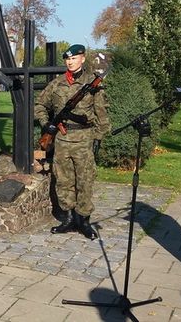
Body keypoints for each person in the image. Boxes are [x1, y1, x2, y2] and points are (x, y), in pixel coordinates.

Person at [35, 44, 111, 240]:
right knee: (63, 180)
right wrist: (47, 125)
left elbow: (101, 113)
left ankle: (83, 221)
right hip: (62, 139)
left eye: (74, 58)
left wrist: (99, 137)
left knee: (85, 181)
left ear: (83, 59)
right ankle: (68, 219)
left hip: (84, 139)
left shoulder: (92, 83)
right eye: (67, 59)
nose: (70, 62)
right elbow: (40, 104)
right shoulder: (57, 83)